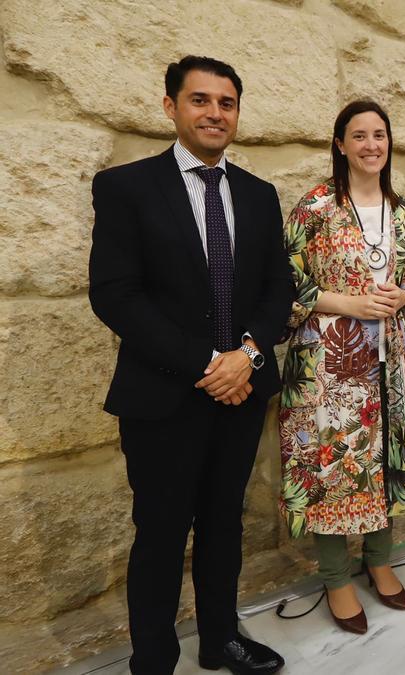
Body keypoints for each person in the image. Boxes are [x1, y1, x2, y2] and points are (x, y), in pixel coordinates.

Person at [88, 56, 292, 674]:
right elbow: (116, 294)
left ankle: (220, 639)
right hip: (164, 397)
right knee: (160, 533)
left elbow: (277, 289)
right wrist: (211, 363)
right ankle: (153, 658)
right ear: (171, 106)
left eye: (226, 102)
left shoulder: (259, 195)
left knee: (225, 525)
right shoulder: (126, 187)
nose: (214, 112)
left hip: (242, 392)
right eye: (200, 100)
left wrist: (249, 357)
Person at [279, 99, 405, 634]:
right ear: (340, 143)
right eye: (359, 135)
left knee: (385, 461)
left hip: (390, 362)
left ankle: (380, 560)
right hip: (330, 368)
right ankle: (337, 576)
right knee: (333, 468)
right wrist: (351, 303)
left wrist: (402, 292)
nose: (371, 145)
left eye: (380, 135)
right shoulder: (315, 208)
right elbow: (285, 281)